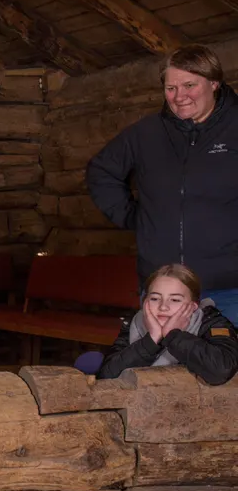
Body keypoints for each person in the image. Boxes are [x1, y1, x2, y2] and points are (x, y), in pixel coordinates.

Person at [86, 44, 238, 325]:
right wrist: (133, 216)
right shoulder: (146, 133)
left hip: (229, 291)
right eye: (171, 88)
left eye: (190, 85)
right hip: (161, 293)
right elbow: (101, 170)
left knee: (228, 367)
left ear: (214, 83)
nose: (180, 96)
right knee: (159, 368)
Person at [96, 263, 238, 385]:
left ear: (193, 306)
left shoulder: (212, 323)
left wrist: (173, 335)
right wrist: (151, 340)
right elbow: (106, 376)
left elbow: (221, 371)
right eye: (155, 298)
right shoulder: (136, 323)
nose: (163, 307)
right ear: (145, 301)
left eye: (175, 300)